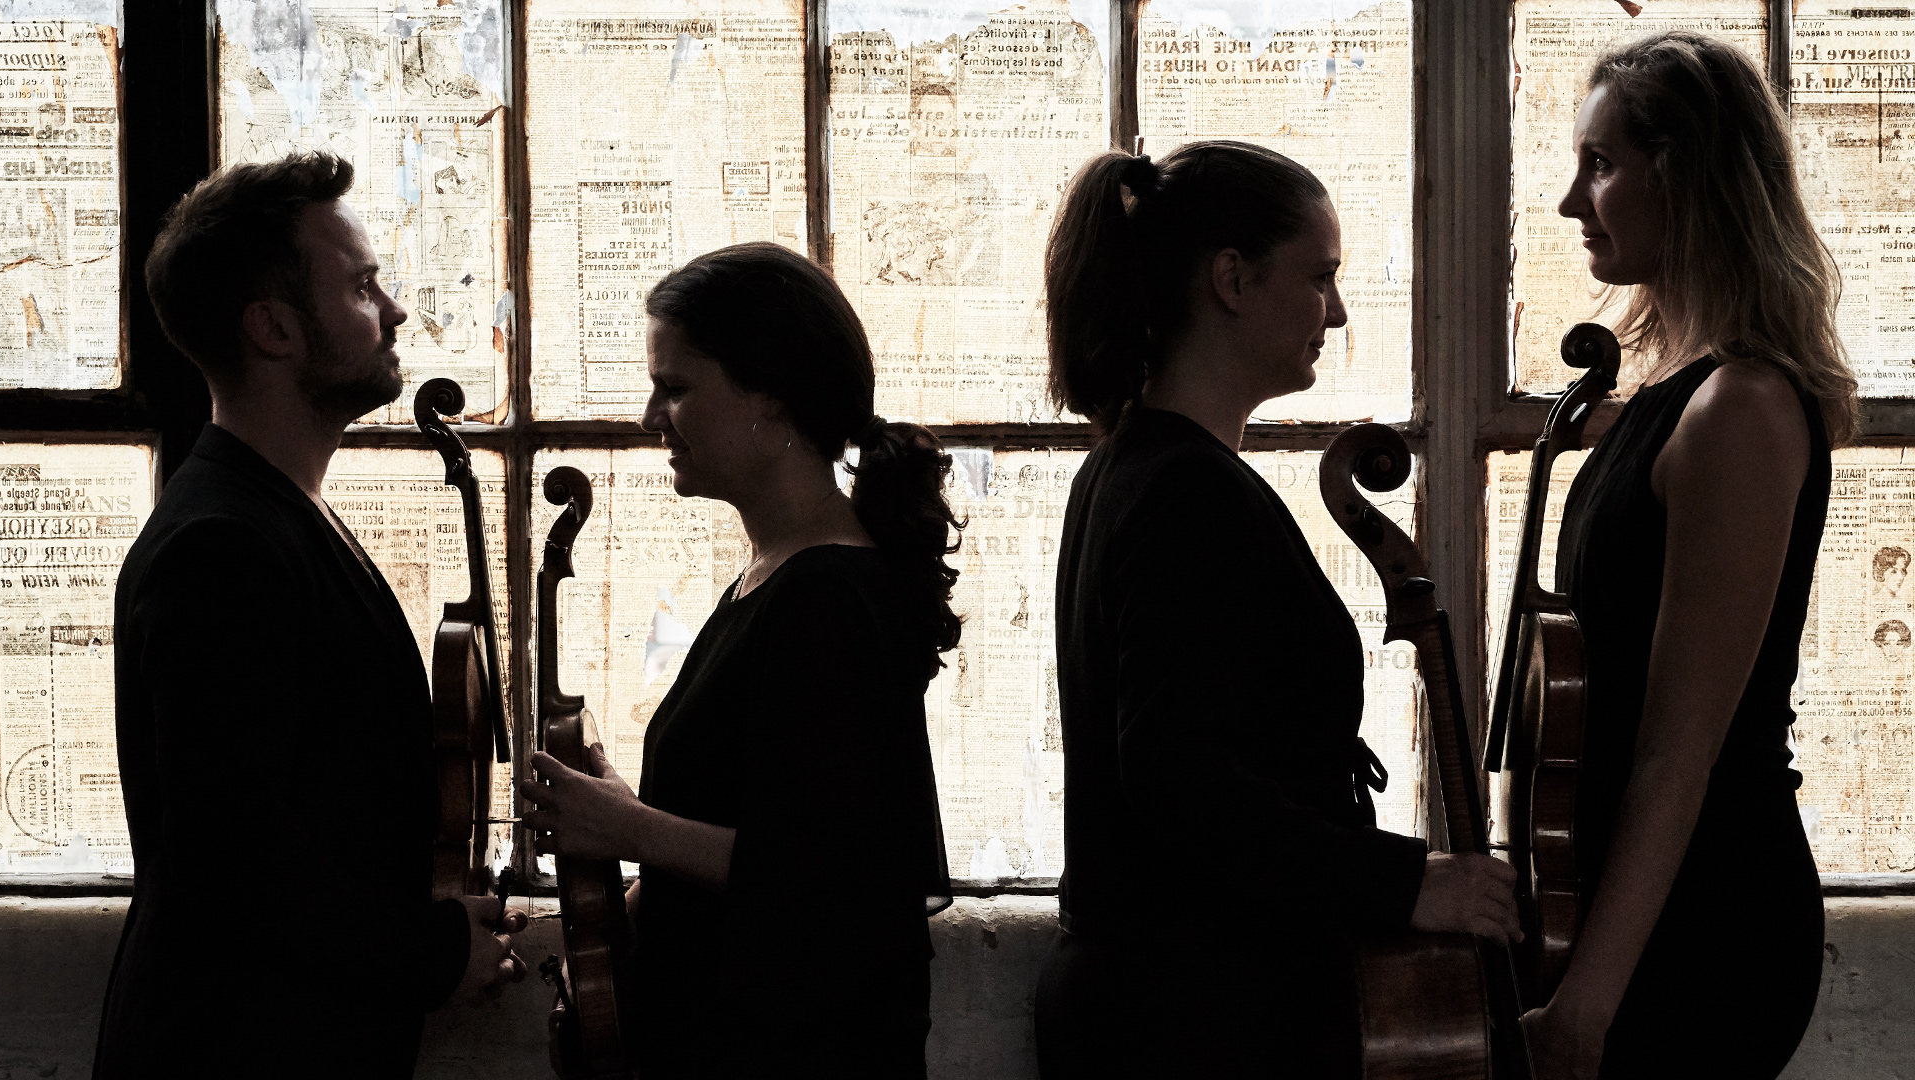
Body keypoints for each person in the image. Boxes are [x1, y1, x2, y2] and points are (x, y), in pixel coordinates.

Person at [1033, 140, 1521, 1078]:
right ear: (1232, 280)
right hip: (1198, 1019)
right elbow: (1184, 788)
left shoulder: (1127, 469)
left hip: (1153, 1005)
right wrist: (1407, 884)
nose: (1335, 312)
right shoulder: (1187, 492)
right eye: (1320, 277)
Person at [98, 153, 528, 1077]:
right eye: (364, 285)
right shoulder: (225, 547)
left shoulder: (271, 513)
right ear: (275, 329)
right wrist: (435, 953)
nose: (398, 311)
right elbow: (235, 862)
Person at [516, 242, 958, 1078]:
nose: (652, 419)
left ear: (769, 397)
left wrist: (625, 827)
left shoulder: (827, 598)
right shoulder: (774, 577)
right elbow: (759, 822)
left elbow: (837, 880)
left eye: (675, 388)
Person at [1524, 31, 1857, 1080]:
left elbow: (1679, 751)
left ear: (1691, 176)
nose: (1574, 203)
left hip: (1704, 916)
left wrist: (1586, 1004)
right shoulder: (1668, 399)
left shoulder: (1740, 409)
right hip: (1638, 902)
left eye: (1603, 165)